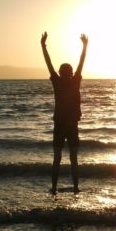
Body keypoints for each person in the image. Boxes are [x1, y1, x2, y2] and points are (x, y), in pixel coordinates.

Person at [41, 31, 88, 195]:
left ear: (61, 72)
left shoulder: (58, 82)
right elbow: (81, 63)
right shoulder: (74, 81)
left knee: (57, 158)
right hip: (70, 125)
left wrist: (43, 46)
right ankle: (75, 188)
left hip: (61, 124)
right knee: (73, 159)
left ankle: (54, 188)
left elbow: (49, 63)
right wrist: (85, 46)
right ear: (71, 72)